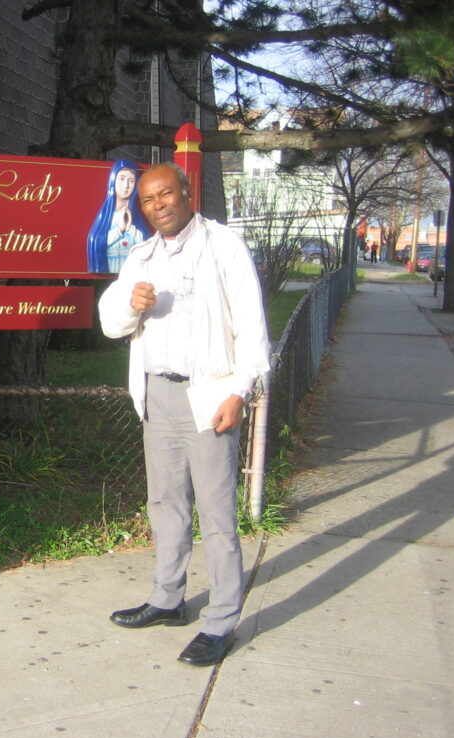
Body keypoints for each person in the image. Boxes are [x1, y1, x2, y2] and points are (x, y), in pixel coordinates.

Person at [97, 163, 270, 667]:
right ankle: (168, 598)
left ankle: (220, 621)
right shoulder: (142, 255)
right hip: (158, 395)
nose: (158, 205)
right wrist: (132, 303)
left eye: (166, 194)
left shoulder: (222, 246)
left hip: (209, 396)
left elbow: (254, 328)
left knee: (216, 515)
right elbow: (110, 323)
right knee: (166, 503)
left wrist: (240, 392)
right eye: (149, 200)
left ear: (186, 193)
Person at [86, 160, 149, 273]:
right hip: (111, 265)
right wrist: (119, 230)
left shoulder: (137, 217)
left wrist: (130, 230)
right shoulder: (106, 216)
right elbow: (97, 241)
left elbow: (146, 244)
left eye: (131, 181)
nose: (126, 185)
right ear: (113, 181)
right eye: (122, 179)